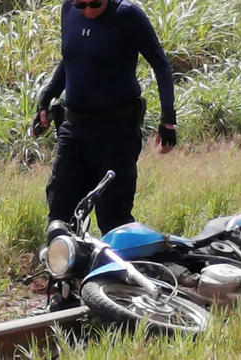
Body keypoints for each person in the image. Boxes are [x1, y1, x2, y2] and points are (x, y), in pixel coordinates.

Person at [33, 0, 177, 235]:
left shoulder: (127, 15)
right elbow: (73, 56)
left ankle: (120, 271)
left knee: (114, 219)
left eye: (95, 4)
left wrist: (168, 119)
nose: (88, 10)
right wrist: (47, 96)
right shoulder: (68, 9)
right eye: (82, 4)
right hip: (75, 130)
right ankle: (65, 269)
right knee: (60, 216)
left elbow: (160, 64)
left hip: (116, 134)